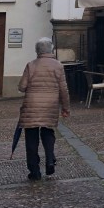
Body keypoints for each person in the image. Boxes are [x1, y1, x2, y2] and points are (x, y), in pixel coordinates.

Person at [18, 37, 71, 181]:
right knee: (48, 131)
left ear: (37, 51)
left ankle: (34, 171)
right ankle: (49, 160)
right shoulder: (58, 66)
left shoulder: (31, 65)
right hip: (50, 105)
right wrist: (65, 108)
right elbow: (63, 89)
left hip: (31, 105)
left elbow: (22, 87)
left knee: (31, 137)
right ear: (51, 49)